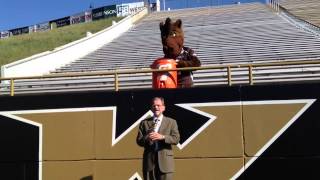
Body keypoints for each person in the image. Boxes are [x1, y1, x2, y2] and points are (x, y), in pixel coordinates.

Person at [136, 97, 180, 180]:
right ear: (151, 108)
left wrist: (162, 137)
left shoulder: (171, 122)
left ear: (163, 107)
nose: (156, 107)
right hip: (149, 163)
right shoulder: (144, 123)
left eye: (158, 105)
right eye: (154, 105)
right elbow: (139, 141)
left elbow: (176, 139)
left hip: (165, 163)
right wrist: (147, 137)